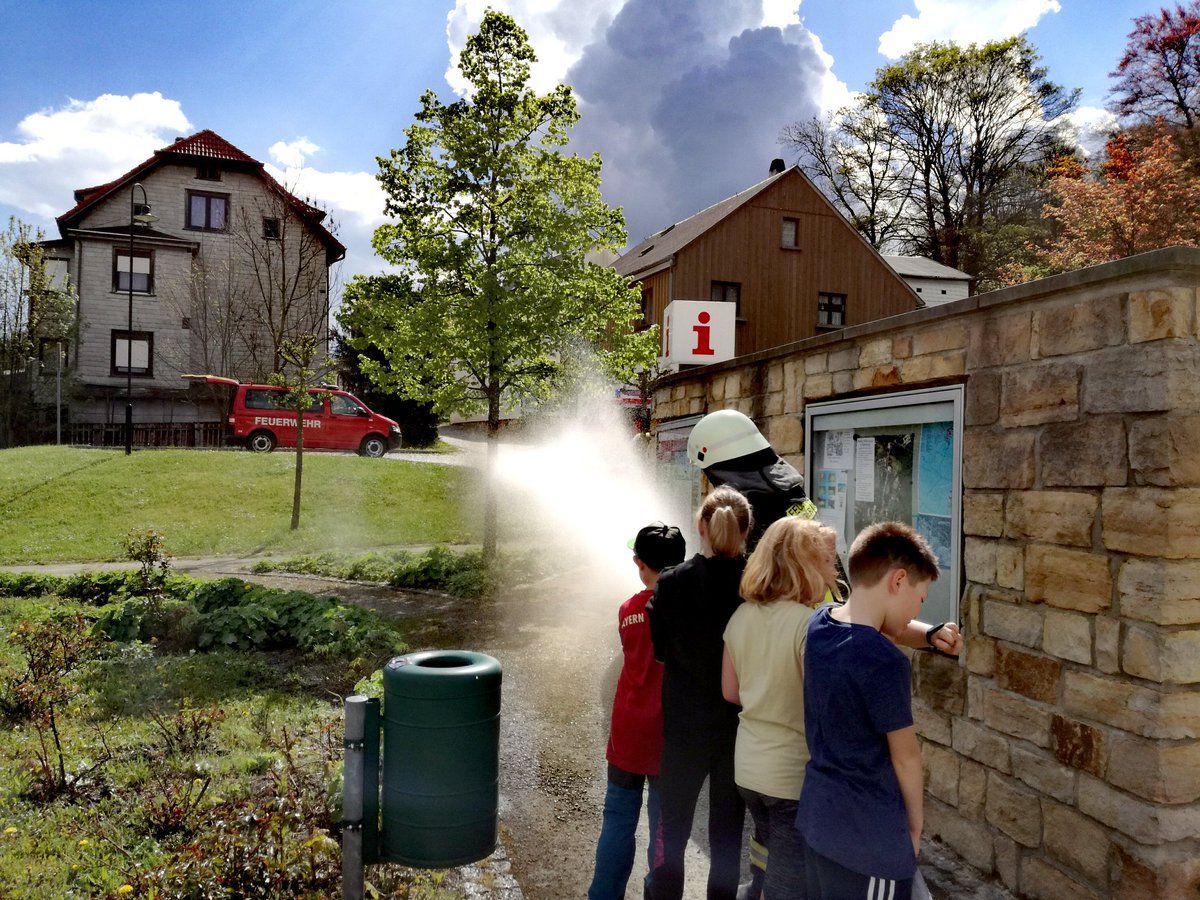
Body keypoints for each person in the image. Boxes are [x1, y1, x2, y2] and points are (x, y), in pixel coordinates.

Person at [797, 521, 941, 900]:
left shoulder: (819, 623)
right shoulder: (885, 661)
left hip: (818, 821)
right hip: (869, 843)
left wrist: (928, 635)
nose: (917, 611)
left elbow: (871, 625)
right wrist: (914, 828)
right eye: (920, 599)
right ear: (898, 580)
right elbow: (906, 758)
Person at [721, 516, 841, 900]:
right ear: (807, 566)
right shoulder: (810, 625)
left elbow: (730, 691)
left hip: (748, 769)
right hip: (791, 776)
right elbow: (818, 700)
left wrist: (766, 695)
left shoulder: (740, 617)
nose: (832, 570)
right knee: (788, 883)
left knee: (766, 853)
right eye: (824, 561)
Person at [647, 486, 752, 900]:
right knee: (727, 838)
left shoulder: (672, 584)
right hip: (737, 730)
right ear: (746, 532)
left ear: (700, 526)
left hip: (684, 729)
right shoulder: (757, 587)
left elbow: (660, 653)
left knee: (671, 833)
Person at [588, 521, 687, 900]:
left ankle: (603, 894)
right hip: (667, 734)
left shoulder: (629, 609)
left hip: (628, 732)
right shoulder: (689, 610)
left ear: (639, 563)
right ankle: (656, 893)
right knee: (662, 828)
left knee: (617, 818)